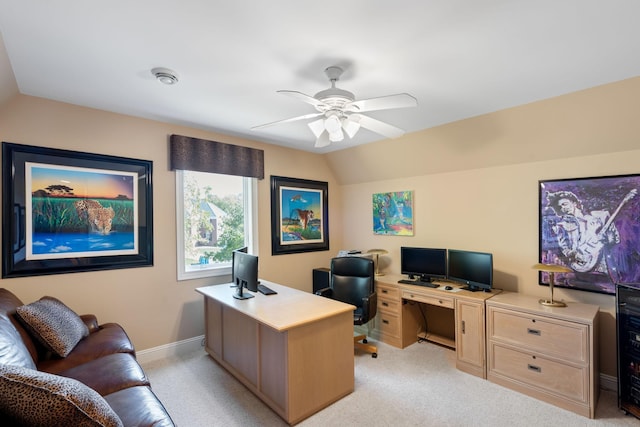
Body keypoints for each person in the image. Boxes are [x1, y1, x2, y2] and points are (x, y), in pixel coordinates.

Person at [545, 190, 620, 274]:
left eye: (565, 204)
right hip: (580, 266)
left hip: (602, 264)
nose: (563, 208)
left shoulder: (598, 217)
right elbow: (564, 247)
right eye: (560, 207)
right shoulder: (562, 226)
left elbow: (615, 239)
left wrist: (608, 239)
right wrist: (570, 253)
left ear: (574, 203)